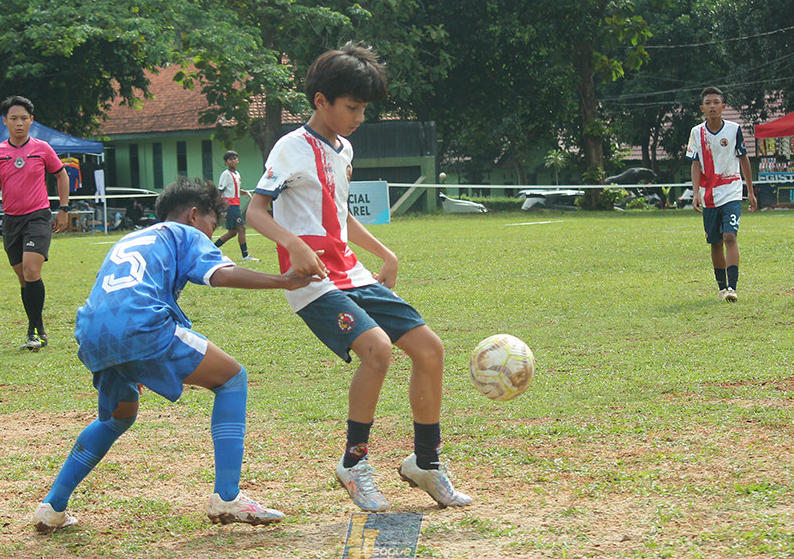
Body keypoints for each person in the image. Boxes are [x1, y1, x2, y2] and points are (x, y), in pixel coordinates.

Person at [246, 42, 472, 512]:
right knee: (378, 350)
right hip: (312, 280)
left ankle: (426, 464)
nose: (359, 116)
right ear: (320, 101)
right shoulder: (291, 148)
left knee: (430, 349)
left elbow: (340, 214)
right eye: (352, 107)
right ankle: (353, 462)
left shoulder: (344, 148)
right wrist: (293, 245)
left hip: (353, 271)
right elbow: (256, 212)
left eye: (364, 107)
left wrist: (384, 252)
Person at [33, 179, 316, 532]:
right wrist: (283, 281)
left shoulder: (131, 238)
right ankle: (227, 496)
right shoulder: (185, 233)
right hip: (141, 324)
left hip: (92, 332)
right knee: (232, 378)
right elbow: (220, 275)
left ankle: (53, 507)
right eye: (212, 225)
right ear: (195, 215)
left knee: (117, 418)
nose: (211, 236)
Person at [0, 95, 70, 349]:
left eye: (23, 118)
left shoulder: (42, 148)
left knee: (32, 270)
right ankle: (38, 329)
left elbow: (61, 177)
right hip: (11, 220)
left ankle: (33, 331)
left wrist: (63, 209)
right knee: (23, 278)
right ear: (5, 121)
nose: (19, 123)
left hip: (38, 216)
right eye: (14, 118)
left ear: (31, 120)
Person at [687, 86, 758, 302]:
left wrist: (750, 191)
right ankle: (721, 288)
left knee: (730, 236)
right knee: (715, 241)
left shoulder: (734, 129)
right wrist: (696, 192)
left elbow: (744, 158)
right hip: (709, 194)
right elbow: (695, 163)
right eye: (708, 103)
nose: (712, 106)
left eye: (716, 102)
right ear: (702, 108)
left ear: (723, 106)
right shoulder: (696, 132)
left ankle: (732, 287)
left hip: (732, 191)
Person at [214, 150, 258, 261]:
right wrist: (217, 207)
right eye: (230, 159)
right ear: (226, 162)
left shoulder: (237, 174)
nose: (233, 161)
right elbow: (220, 191)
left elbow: (235, 190)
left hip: (235, 205)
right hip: (230, 206)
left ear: (238, 160)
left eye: (235, 158)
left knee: (233, 232)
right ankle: (245, 256)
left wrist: (245, 192)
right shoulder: (226, 174)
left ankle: (212, 249)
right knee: (242, 228)